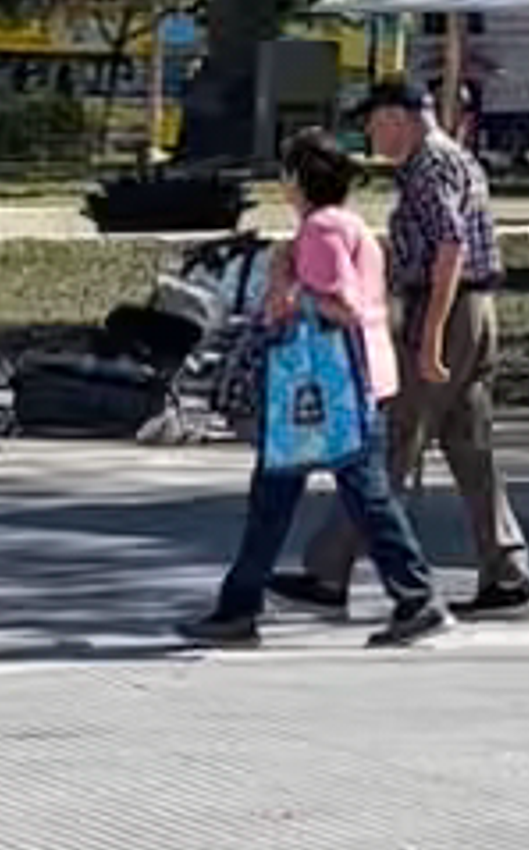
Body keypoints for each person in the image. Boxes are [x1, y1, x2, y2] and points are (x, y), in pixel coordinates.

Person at [280, 76, 529, 620]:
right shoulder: (455, 159)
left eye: (373, 123)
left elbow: (449, 250)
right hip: (473, 308)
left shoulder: (428, 166)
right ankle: (507, 571)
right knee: (470, 446)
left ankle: (330, 571)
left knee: (394, 438)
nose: (371, 137)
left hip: (446, 309)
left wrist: (433, 337)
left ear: (397, 116)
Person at [187, 151, 447, 647]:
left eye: (287, 174)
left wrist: (288, 284)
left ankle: (239, 612)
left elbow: (341, 305)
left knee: (299, 497)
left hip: (322, 389)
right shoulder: (351, 226)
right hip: (356, 381)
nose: (282, 184)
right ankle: (412, 597)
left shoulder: (321, 230)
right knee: (344, 496)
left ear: (300, 181)